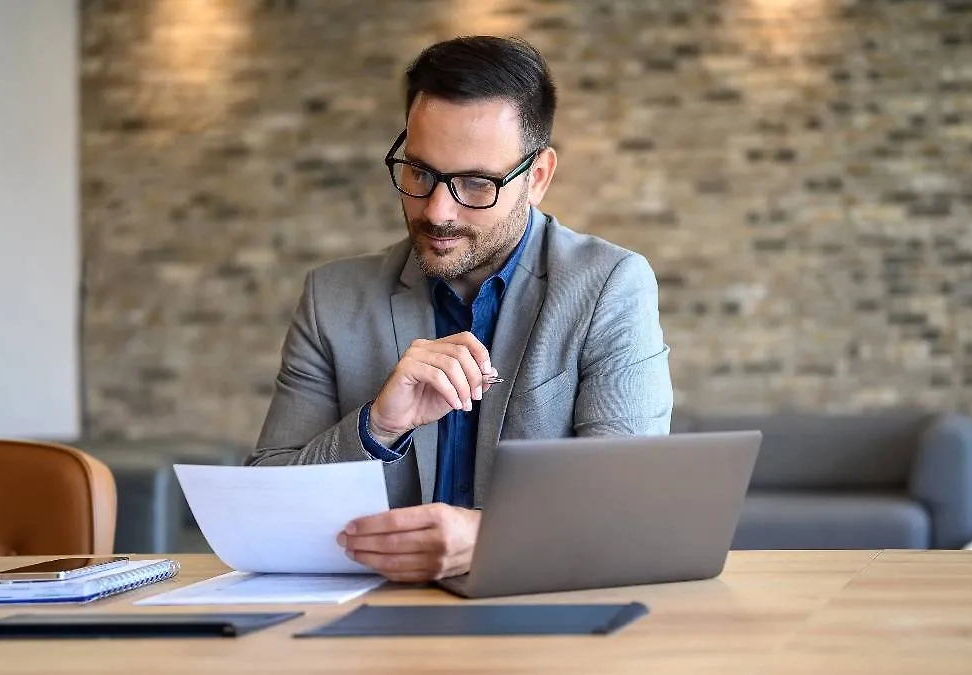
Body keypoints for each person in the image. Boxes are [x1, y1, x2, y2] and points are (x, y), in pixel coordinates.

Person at [248, 35, 673, 583]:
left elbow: (631, 507)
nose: (437, 211)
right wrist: (377, 427)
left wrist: (495, 539)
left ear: (538, 177)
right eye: (419, 173)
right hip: (373, 616)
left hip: (538, 614)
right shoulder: (332, 297)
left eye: (476, 183)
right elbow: (264, 507)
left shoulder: (608, 286)